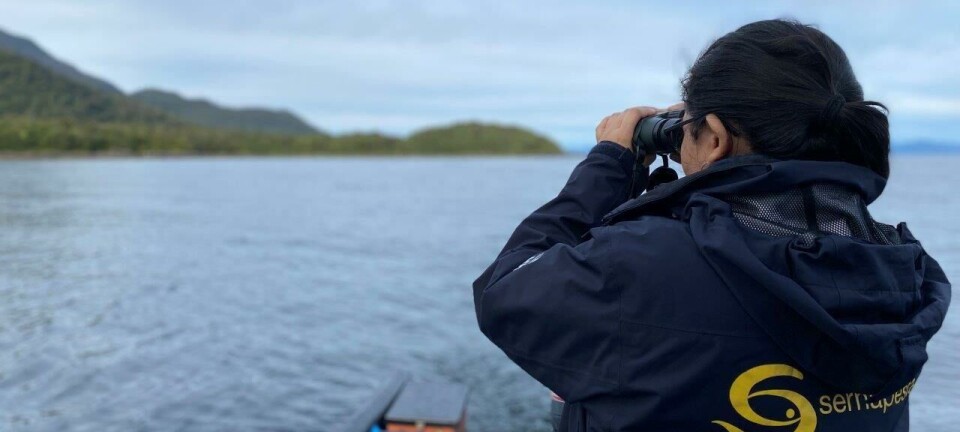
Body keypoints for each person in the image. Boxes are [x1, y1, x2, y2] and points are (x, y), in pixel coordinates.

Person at [473, 19, 951, 431]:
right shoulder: (904, 272)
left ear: (717, 139)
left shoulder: (642, 266)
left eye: (690, 131)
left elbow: (506, 290)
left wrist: (608, 166)